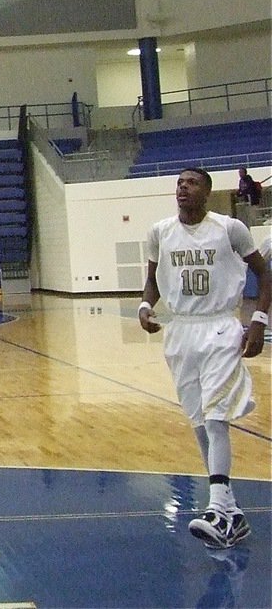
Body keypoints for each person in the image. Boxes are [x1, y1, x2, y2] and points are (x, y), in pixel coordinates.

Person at [139, 167, 269, 550]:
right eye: (179, 183)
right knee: (198, 421)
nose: (183, 187)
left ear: (207, 193)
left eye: (191, 183)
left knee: (215, 417)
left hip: (220, 327)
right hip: (181, 331)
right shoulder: (160, 232)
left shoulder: (229, 229)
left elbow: (265, 273)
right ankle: (232, 514)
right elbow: (153, 279)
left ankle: (216, 510)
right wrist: (145, 305)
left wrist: (258, 320)